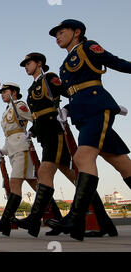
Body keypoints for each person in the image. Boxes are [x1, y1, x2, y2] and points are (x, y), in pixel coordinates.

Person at [46, 19, 131, 241]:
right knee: (123, 164)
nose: (57, 36)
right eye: (56, 34)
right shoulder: (65, 63)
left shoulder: (87, 47)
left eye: (61, 32)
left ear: (77, 32)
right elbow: (71, 91)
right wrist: (66, 107)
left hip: (96, 107)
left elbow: (117, 63)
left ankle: (75, 216)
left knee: (82, 157)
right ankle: (106, 227)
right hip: (83, 113)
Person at [11, 53, 77, 237]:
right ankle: (98, 218)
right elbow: (37, 113)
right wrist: (32, 130)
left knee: (44, 172)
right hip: (45, 132)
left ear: (39, 63)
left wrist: (67, 109)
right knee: (73, 175)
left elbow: (70, 92)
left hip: (55, 130)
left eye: (28, 63)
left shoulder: (49, 78)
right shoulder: (33, 86)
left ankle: (34, 218)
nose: (26, 66)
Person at [0, 83, 40, 236]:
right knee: (36, 184)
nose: (2, 94)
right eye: (2, 92)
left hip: (22, 148)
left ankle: (5, 222)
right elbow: (10, 134)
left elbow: (34, 118)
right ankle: (39, 222)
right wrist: (2, 150)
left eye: (5, 91)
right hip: (13, 150)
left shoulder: (19, 105)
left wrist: (31, 132)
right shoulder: (7, 110)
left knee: (15, 182)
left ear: (14, 92)